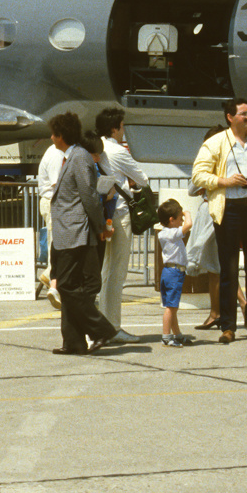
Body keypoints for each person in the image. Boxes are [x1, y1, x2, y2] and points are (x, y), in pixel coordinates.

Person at [192, 98, 247, 344]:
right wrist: (225, 181)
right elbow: (198, 174)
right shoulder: (216, 143)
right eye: (243, 114)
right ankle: (228, 327)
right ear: (230, 117)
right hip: (229, 210)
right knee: (228, 269)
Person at [46, 112, 119, 355]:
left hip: (75, 232)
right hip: (67, 232)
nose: (51, 138)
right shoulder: (72, 157)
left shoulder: (78, 158)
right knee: (71, 287)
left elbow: (89, 196)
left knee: (66, 286)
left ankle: (101, 329)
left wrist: (99, 226)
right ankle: (74, 341)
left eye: (54, 134)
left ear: (61, 136)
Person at [94, 108, 148, 337]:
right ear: (114, 128)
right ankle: (113, 327)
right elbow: (143, 179)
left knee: (106, 271)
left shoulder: (97, 149)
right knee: (117, 273)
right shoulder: (118, 151)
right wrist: (129, 183)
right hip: (119, 213)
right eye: (122, 126)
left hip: (102, 214)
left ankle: (104, 323)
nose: (123, 131)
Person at [153, 199, 193, 348]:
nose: (182, 220)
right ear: (171, 220)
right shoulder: (172, 233)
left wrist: (179, 212)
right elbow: (188, 225)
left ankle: (177, 335)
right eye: (179, 218)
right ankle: (166, 336)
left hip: (169, 272)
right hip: (174, 272)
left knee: (173, 306)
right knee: (171, 308)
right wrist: (187, 213)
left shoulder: (164, 233)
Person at [35, 141, 66, 308]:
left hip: (54, 202)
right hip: (54, 202)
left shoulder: (57, 152)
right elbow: (57, 184)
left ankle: (53, 280)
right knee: (56, 245)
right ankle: (51, 277)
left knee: (56, 244)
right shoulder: (56, 154)